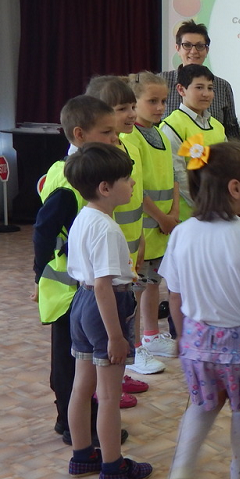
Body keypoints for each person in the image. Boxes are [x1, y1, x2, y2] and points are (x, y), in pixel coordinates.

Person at [160, 141, 240, 479]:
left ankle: (183, 465)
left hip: (196, 341)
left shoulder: (182, 233)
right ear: (235, 188)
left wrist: (181, 336)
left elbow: (174, 295)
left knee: (201, 406)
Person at [32, 95, 130, 447]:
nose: (115, 138)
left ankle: (85, 425)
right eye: (107, 132)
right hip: (69, 287)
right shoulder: (67, 180)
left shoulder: (89, 171)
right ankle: (71, 425)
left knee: (81, 364)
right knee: (68, 362)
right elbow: (43, 233)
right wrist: (39, 279)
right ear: (79, 134)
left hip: (82, 282)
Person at [63, 142, 153, 479]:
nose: (132, 184)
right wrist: (116, 336)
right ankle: (113, 465)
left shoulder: (84, 217)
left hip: (81, 304)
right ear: (105, 188)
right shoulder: (108, 229)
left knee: (81, 388)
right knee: (109, 396)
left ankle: (82, 455)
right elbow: (104, 286)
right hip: (105, 308)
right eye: (127, 179)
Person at [87, 76, 164, 378]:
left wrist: (140, 237)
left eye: (132, 107)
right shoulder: (98, 157)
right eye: (122, 109)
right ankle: (122, 362)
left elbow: (136, 193)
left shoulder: (127, 145)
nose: (132, 114)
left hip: (132, 242)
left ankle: (126, 364)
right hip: (111, 249)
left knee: (129, 302)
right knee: (114, 309)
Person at [126, 72, 180, 355]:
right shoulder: (131, 137)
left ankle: (150, 336)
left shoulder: (160, 133)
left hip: (162, 229)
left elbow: (172, 176)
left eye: (163, 101)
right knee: (136, 290)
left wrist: (174, 212)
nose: (160, 107)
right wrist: (161, 217)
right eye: (152, 101)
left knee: (152, 285)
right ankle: (135, 347)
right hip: (146, 228)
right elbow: (138, 186)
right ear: (134, 102)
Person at [161, 64, 227, 222]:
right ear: (181, 89)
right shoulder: (172, 126)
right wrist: (204, 203)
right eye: (199, 87)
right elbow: (178, 173)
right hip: (188, 215)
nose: (206, 94)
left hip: (219, 209)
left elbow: (227, 167)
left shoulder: (217, 126)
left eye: (210, 88)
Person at [163, 19, 240, 141]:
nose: (193, 51)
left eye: (200, 46)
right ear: (178, 48)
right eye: (187, 45)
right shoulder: (161, 82)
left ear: (207, 51)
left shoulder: (223, 86)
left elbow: (232, 130)